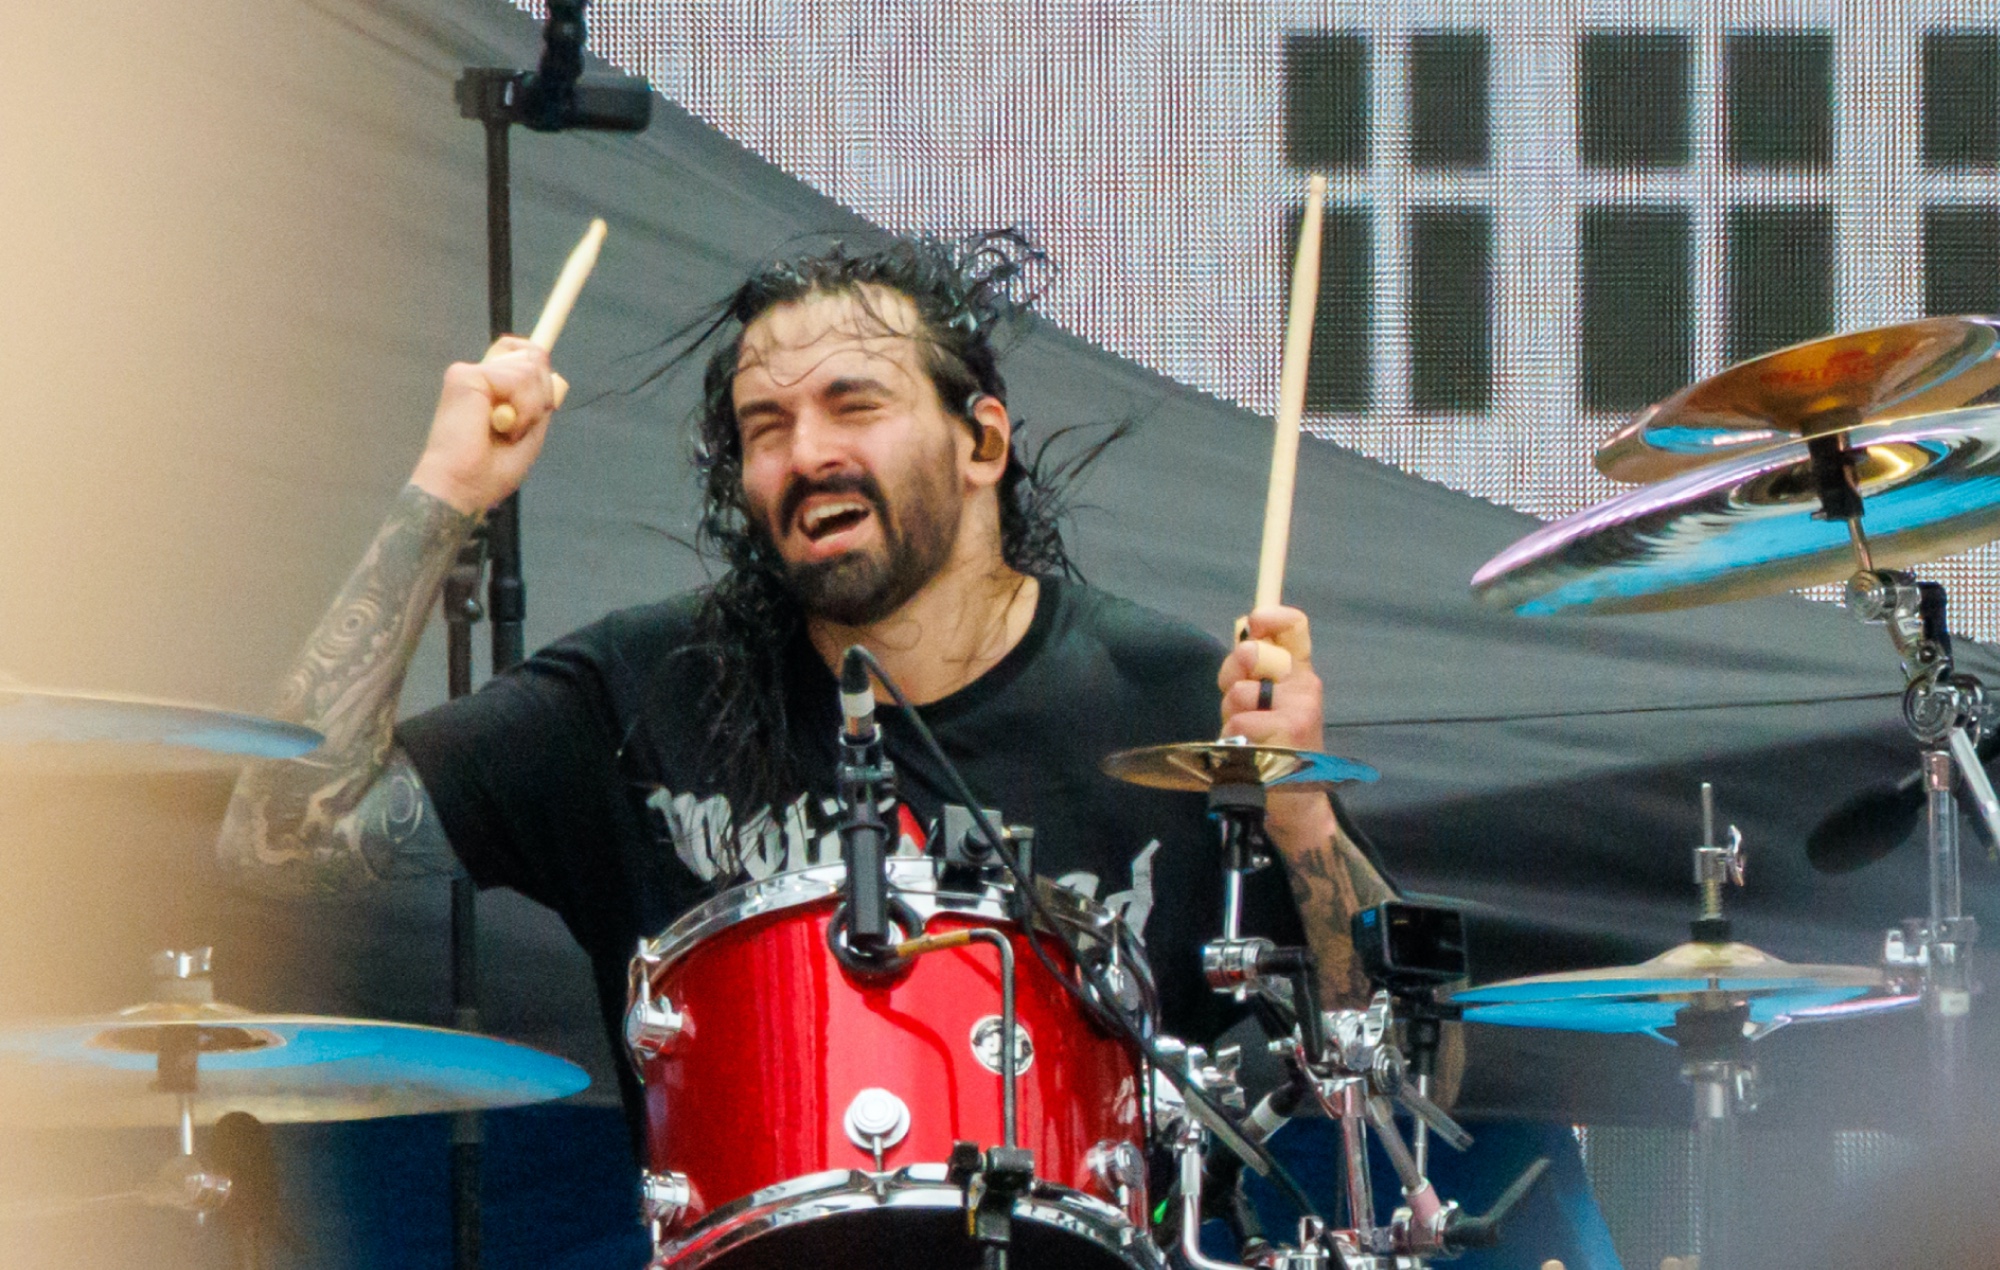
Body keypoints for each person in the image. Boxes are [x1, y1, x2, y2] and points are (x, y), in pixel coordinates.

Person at [214, 231, 1397, 1145]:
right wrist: (444, 493)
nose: (806, 452)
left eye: (854, 404)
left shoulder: (1174, 702)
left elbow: (1398, 1066)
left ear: (982, 443)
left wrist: (1296, 811)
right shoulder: (637, 692)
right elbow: (275, 838)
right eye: (764, 426)